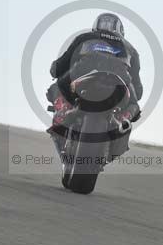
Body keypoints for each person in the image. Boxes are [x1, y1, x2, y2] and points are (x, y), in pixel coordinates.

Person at [47, 13, 143, 157]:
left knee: (56, 88)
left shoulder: (84, 37)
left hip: (85, 70)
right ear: (120, 30)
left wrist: (55, 69)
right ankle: (122, 119)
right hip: (119, 80)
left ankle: (63, 111)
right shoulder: (131, 49)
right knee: (134, 105)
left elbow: (60, 67)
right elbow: (138, 88)